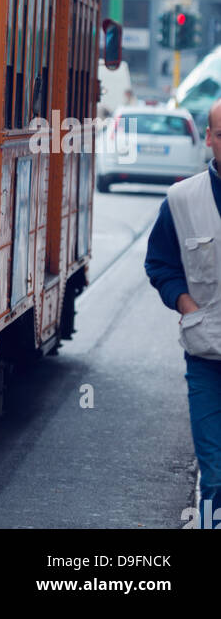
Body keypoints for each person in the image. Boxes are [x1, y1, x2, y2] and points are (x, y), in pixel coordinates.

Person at [145, 97, 221, 529]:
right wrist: (186, 304)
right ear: (209, 138)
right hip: (208, 360)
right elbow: (160, 264)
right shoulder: (180, 200)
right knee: (216, 476)